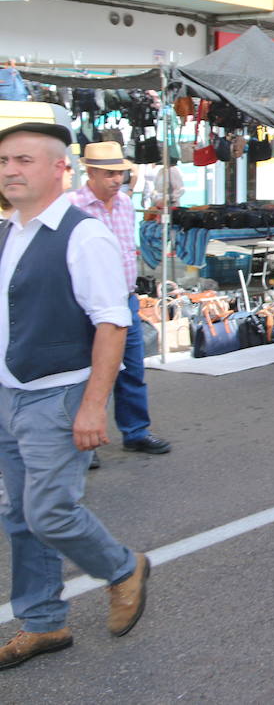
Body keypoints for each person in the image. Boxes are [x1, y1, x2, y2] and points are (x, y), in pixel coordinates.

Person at [0, 122, 151, 670]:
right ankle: (42, 623)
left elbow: (112, 324)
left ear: (60, 169)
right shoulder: (9, 231)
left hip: (56, 396)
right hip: (10, 395)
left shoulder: (82, 234)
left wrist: (92, 405)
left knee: (49, 512)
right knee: (19, 515)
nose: (10, 171)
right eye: (3, 162)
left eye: (23, 160)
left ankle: (121, 568)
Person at [68, 142, 171, 456]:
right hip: (85, 304)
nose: (117, 179)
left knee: (132, 369)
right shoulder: (72, 206)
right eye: (110, 173)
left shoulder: (125, 203)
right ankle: (85, 445)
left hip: (125, 299)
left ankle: (136, 431)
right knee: (85, 372)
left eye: (121, 173)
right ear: (92, 172)